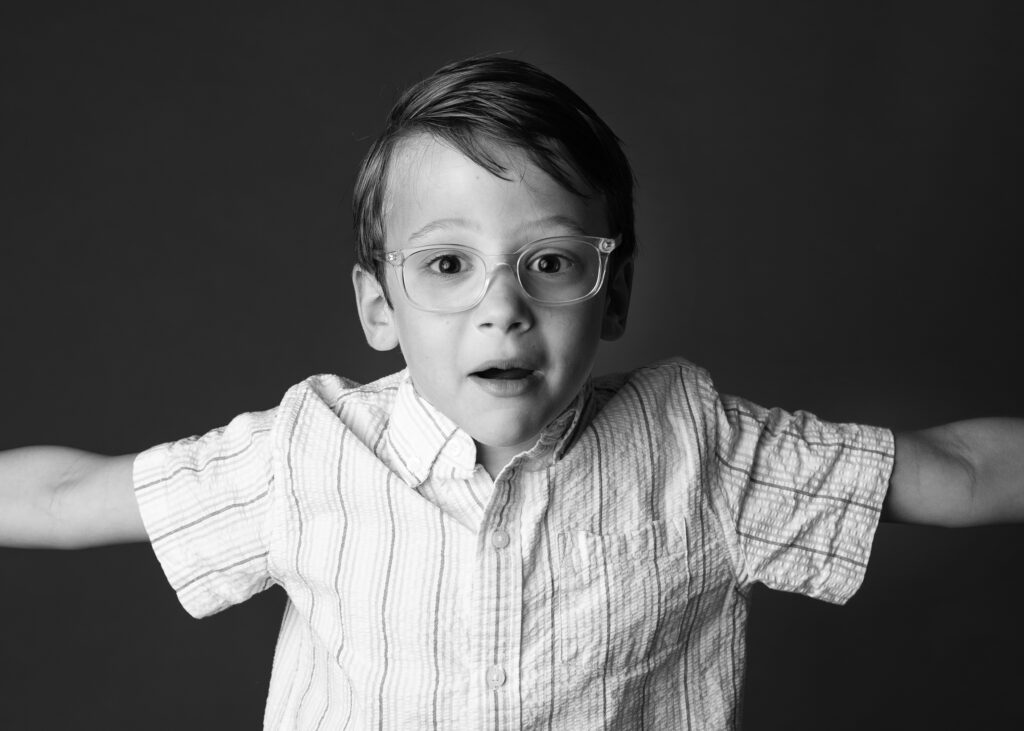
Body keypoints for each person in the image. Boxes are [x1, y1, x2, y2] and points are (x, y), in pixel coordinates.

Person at [1, 55, 1022, 730]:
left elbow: (956, 469)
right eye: (447, 265)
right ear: (378, 306)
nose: (502, 308)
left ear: (610, 291)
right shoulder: (307, 451)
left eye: (549, 261)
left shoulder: (693, 446)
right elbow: (61, 496)